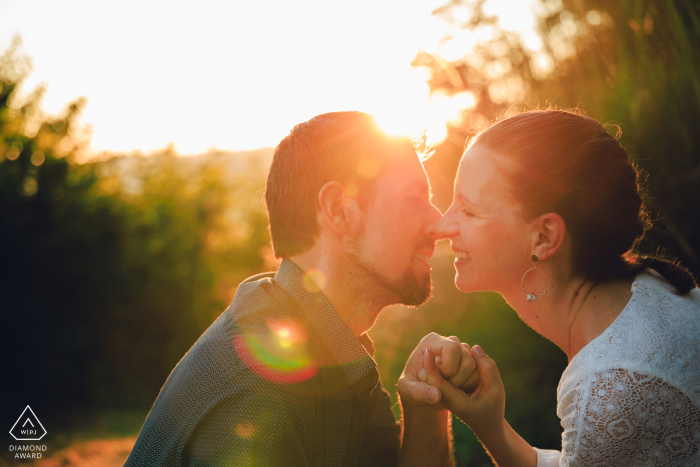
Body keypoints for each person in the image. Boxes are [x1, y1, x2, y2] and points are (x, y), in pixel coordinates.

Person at [124, 111, 477, 467]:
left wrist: (427, 408)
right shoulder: (259, 395)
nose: (439, 221)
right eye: (415, 198)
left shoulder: (335, 351)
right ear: (340, 210)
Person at [400, 109, 700, 466]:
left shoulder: (609, 388)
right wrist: (491, 426)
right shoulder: (644, 290)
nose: (443, 225)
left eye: (469, 211)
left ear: (543, 237)